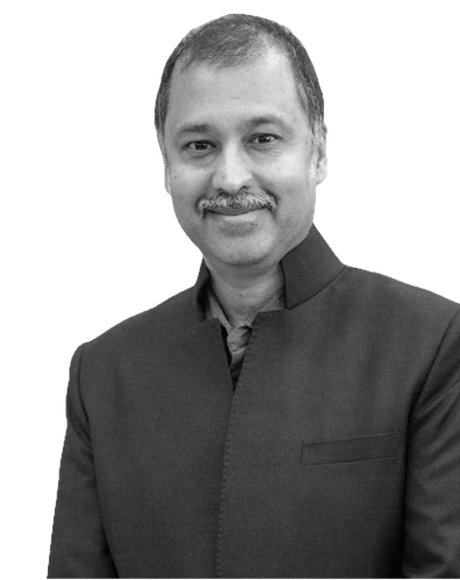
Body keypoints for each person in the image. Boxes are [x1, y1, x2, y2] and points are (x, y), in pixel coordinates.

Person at [47, 13, 459, 579]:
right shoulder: (103, 372)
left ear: (319, 152)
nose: (230, 177)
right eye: (199, 145)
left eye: (263, 139)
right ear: (166, 167)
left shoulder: (431, 342)